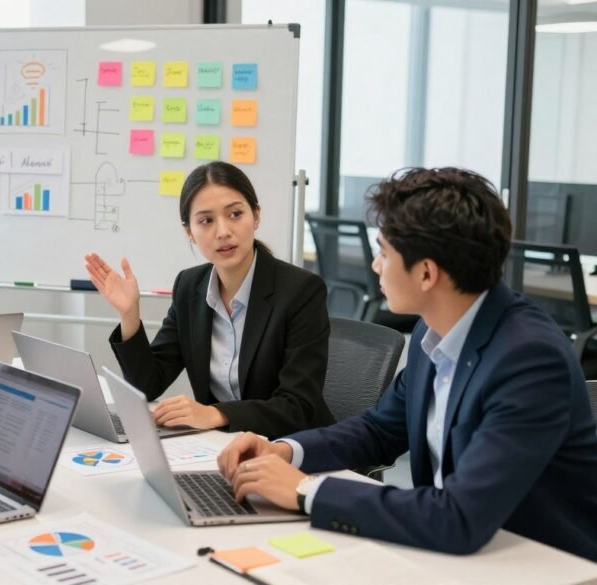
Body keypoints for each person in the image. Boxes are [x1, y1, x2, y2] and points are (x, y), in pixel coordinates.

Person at [217, 167, 597, 561]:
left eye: (383, 252)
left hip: (540, 566)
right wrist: (285, 451)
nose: (376, 267)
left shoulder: (529, 361)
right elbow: (380, 429)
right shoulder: (431, 333)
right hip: (452, 554)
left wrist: (304, 490)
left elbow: (460, 517)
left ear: (427, 273)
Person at [86, 161, 333, 436]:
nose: (223, 231)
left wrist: (216, 413)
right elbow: (148, 385)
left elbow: (298, 406)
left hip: (292, 448)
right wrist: (129, 314)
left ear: (256, 216)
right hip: (221, 446)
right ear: (189, 232)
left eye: (236, 214)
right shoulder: (190, 287)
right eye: (206, 221)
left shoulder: (301, 291)